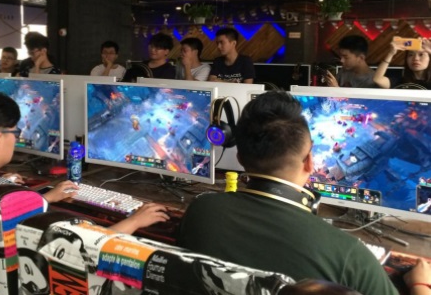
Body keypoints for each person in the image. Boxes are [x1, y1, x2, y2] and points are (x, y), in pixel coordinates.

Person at [178, 91, 429, 295]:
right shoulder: (349, 254)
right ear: (310, 161)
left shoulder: (201, 210)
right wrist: (421, 284)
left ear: (240, 158)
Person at [0, 88, 168, 234]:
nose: (16, 137)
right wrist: (135, 221)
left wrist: (41, 198)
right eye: (15, 131)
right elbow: (80, 250)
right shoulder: (8, 199)